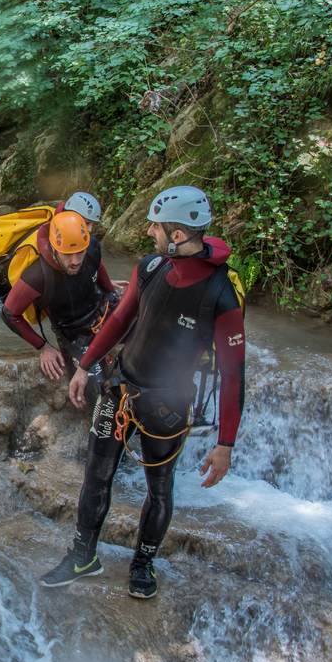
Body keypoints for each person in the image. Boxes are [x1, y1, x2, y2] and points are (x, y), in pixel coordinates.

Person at [40, 185, 246, 600]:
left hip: (167, 406)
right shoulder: (150, 267)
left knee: (160, 487)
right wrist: (84, 366)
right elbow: (119, 320)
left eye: (156, 225)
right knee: (96, 476)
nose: (149, 230)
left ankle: (143, 564)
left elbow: (233, 375)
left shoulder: (222, 295)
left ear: (177, 234)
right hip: (119, 390)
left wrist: (225, 444)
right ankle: (83, 556)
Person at [0, 210, 118, 398]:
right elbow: (9, 313)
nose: (75, 261)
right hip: (74, 334)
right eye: (68, 254)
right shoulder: (37, 276)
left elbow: (97, 265)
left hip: (103, 311)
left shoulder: (93, 247)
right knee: (102, 393)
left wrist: (111, 290)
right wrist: (43, 347)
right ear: (54, 249)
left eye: (80, 252)